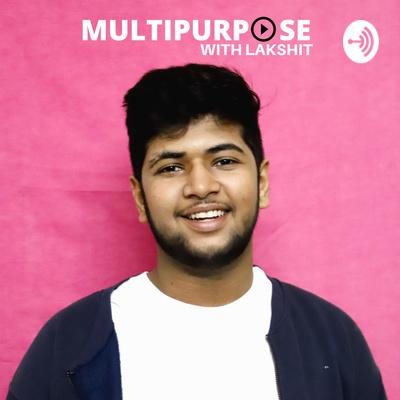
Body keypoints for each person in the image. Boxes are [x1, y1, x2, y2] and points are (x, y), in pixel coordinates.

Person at [7, 64, 386, 400]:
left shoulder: (333, 339)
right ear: (140, 197)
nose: (201, 186)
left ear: (262, 182)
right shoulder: (69, 345)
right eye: (171, 167)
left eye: (224, 161)